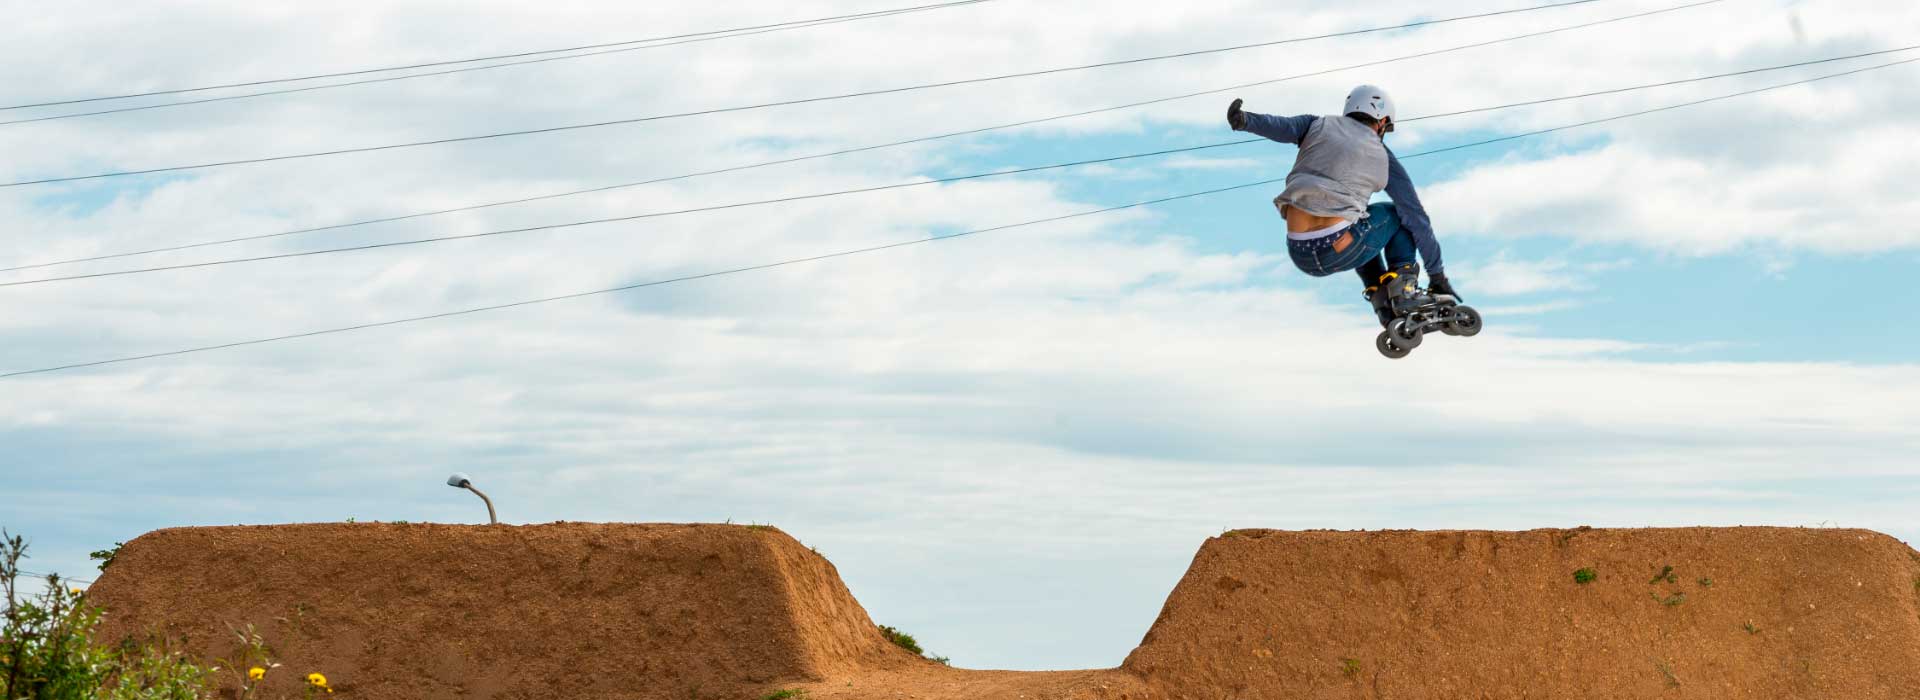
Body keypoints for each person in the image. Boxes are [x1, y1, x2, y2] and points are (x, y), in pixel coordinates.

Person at [1227, 85, 1458, 327]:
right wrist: (1437, 275)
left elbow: (1280, 126)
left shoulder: (1316, 125)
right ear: (1382, 121)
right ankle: (1404, 291)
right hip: (1339, 249)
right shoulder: (1383, 155)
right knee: (1394, 213)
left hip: (1300, 254)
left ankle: (1381, 299)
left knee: (1360, 220)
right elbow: (1416, 216)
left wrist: (1244, 120)